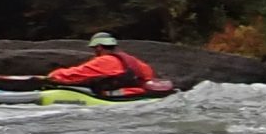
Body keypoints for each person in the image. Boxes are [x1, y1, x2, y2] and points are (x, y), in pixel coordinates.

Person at [38, 32, 169, 98]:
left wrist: (52, 76)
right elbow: (148, 76)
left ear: (99, 47)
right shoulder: (135, 61)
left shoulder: (105, 61)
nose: (94, 52)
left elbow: (75, 74)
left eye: (94, 48)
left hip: (119, 98)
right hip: (139, 94)